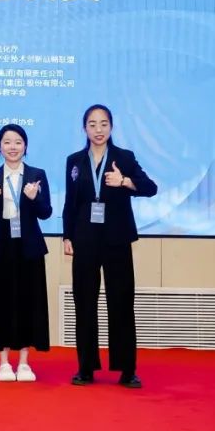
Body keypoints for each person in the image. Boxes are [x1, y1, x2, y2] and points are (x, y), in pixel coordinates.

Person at [63, 104, 157, 388]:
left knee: (121, 303)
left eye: (103, 124)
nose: (98, 129)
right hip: (84, 240)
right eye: (92, 124)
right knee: (84, 303)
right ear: (84, 128)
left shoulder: (124, 158)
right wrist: (67, 236)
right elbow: (70, 202)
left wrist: (124, 181)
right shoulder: (74, 161)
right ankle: (86, 368)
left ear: (111, 127)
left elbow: (150, 187)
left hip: (117, 239)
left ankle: (127, 370)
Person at [0, 124, 52, 382]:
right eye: (7, 142)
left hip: (29, 247)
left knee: (29, 303)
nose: (12, 147)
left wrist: (34, 197)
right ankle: (3, 363)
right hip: (0, 247)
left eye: (18, 142)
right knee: (0, 304)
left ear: (25, 146)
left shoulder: (37, 175)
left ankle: (24, 363)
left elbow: (46, 212)